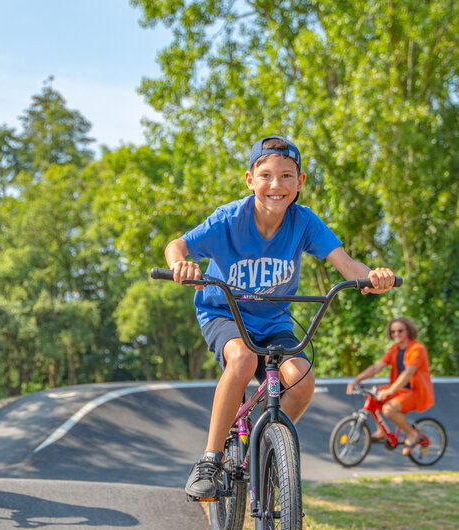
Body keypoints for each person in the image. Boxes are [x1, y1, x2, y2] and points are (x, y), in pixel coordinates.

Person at [165, 135, 396, 500]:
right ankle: (210, 459)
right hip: (225, 312)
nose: (277, 185)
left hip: (274, 320)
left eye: (287, 176)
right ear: (250, 179)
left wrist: (372, 277)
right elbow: (177, 245)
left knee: (302, 381)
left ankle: (264, 444)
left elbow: (348, 265)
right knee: (242, 359)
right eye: (267, 175)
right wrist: (181, 264)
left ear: (300, 182)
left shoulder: (304, 222)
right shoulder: (228, 219)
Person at [347, 316, 435, 455]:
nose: (396, 334)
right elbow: (376, 367)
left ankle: (411, 434)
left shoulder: (418, 349)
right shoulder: (394, 349)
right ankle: (381, 431)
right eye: (393, 332)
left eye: (400, 331)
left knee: (388, 410)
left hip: (415, 392)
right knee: (372, 396)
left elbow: (408, 373)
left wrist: (389, 391)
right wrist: (356, 380)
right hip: (399, 391)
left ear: (408, 331)